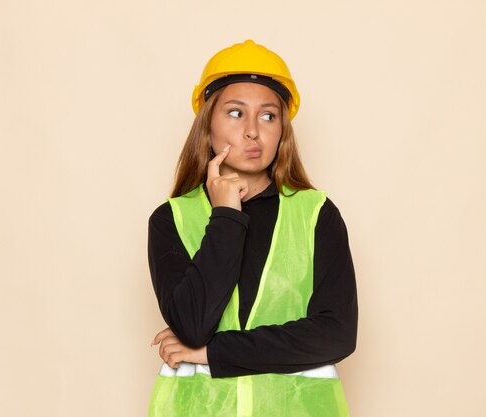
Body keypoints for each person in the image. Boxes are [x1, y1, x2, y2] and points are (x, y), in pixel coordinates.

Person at [147, 39, 358, 417]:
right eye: (234, 113)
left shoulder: (316, 214)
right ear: (207, 124)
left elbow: (335, 334)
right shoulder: (171, 219)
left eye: (267, 116)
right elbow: (193, 325)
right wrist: (226, 214)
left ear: (282, 130)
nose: (252, 131)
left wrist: (213, 352)